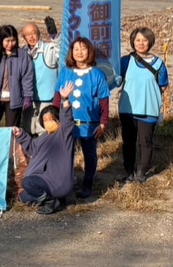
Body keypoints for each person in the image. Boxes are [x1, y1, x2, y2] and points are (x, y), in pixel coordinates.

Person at [53, 37, 110, 199]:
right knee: (66, 154)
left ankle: (87, 184)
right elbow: (58, 97)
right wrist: (53, 116)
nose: (79, 52)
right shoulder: (65, 71)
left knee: (89, 155)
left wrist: (103, 123)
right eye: (76, 49)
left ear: (89, 51)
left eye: (83, 49)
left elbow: (104, 102)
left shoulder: (98, 74)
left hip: (89, 124)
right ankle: (66, 184)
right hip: (67, 123)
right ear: (71, 52)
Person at [13, 82, 77, 215]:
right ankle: (57, 200)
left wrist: (65, 100)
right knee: (24, 197)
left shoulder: (64, 134)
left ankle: (50, 202)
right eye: (45, 120)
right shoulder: (42, 138)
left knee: (28, 183)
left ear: (58, 120)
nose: (48, 122)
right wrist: (21, 134)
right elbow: (32, 148)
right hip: (44, 181)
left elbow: (68, 121)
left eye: (51, 119)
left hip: (57, 181)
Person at [119, 26, 170, 183]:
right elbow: (115, 79)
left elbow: (163, 86)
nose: (140, 43)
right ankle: (129, 171)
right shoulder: (126, 61)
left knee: (145, 142)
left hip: (149, 109)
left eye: (144, 40)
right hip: (128, 109)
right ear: (133, 42)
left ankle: (141, 173)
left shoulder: (159, 64)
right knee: (128, 142)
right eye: (137, 40)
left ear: (150, 42)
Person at [0, 25, 34, 129]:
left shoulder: (23, 56)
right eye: (7, 41)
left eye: (13, 41)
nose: (10, 44)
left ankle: (11, 145)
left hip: (15, 100)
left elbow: (27, 78)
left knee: (12, 130)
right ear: (1, 40)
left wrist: (28, 96)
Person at [21, 22, 60, 135]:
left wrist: (55, 36)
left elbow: (59, 50)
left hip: (47, 100)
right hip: (29, 100)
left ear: (39, 34)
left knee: (45, 130)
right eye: (28, 34)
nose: (31, 37)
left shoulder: (48, 49)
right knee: (29, 129)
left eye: (34, 33)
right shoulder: (23, 52)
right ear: (24, 37)